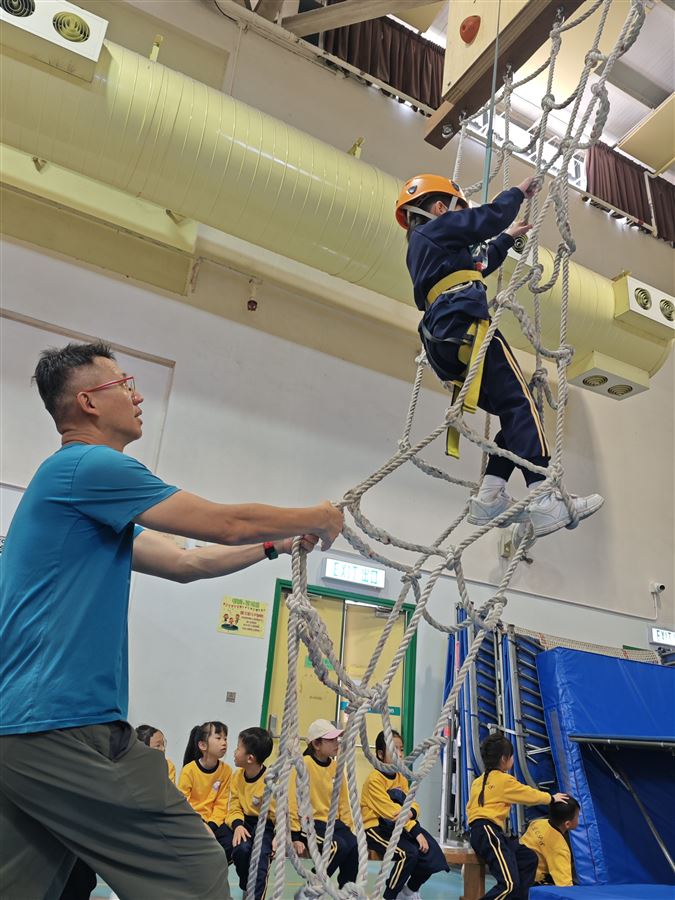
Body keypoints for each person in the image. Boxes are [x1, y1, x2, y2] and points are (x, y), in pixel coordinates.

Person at [0, 341, 343, 900]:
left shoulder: (77, 496)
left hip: (21, 734)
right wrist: (319, 514)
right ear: (88, 401)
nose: (137, 396)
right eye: (124, 384)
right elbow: (224, 522)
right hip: (62, 727)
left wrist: (273, 546)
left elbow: (187, 563)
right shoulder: (88, 466)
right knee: (197, 871)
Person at [396, 175, 603, 541]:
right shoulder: (440, 228)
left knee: (515, 411)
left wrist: (506, 240)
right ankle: (543, 496)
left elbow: (478, 265)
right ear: (441, 208)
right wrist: (517, 194)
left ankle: (490, 495)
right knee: (522, 403)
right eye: (458, 209)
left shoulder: (425, 247)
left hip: (444, 341)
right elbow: (488, 218)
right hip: (465, 325)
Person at [466, 731, 569, 900]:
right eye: (512, 756)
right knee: (509, 885)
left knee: (528, 858)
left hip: (485, 832)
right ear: (504, 759)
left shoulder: (478, 781)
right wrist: (551, 798)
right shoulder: (503, 780)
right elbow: (527, 794)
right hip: (488, 832)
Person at [361, 730, 449, 899]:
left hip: (398, 826)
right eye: (394, 749)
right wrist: (415, 830)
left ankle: (408, 891)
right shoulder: (374, 780)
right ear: (380, 754)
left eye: (401, 749)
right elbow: (392, 812)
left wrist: (412, 815)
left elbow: (412, 804)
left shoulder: (400, 777)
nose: (400, 754)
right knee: (407, 853)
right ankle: (390, 895)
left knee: (432, 853)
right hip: (376, 829)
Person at [289, 718, 358, 890]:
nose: (336, 743)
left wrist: (349, 828)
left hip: (333, 824)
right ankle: (313, 887)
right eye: (331, 739)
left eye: (337, 738)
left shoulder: (336, 767)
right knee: (337, 846)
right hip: (311, 824)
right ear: (316, 744)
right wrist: (294, 835)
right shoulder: (303, 765)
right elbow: (291, 800)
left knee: (353, 844)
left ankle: (346, 890)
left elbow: (343, 802)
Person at [226, 727, 275, 899]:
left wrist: (279, 836)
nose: (234, 752)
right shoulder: (237, 777)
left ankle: (256, 895)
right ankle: (247, 884)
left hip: (266, 825)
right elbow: (234, 805)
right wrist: (238, 825)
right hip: (245, 822)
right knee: (241, 849)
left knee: (260, 859)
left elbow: (279, 813)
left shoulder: (270, 780)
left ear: (250, 758)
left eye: (238, 748)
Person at [179, 721, 233, 858]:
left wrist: (212, 825)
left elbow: (222, 803)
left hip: (214, 822)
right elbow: (183, 803)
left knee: (230, 842)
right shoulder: (189, 770)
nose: (224, 742)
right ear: (203, 745)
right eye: (218, 738)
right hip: (192, 821)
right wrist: (202, 825)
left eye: (225, 738)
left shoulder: (226, 771)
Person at [521, 796, 580, 887]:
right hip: (531, 882)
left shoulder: (537, 823)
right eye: (578, 816)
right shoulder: (559, 849)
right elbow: (565, 886)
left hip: (516, 868)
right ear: (567, 824)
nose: (579, 819)